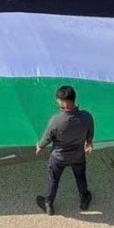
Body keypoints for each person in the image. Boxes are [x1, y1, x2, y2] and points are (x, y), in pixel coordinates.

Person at [35, 85, 94, 215]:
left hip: (58, 158)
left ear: (63, 102)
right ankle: (84, 199)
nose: (57, 102)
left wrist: (39, 146)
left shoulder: (56, 120)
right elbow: (90, 132)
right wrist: (89, 143)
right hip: (78, 155)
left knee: (53, 179)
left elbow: (47, 138)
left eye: (58, 100)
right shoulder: (86, 116)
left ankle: (48, 203)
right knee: (80, 177)